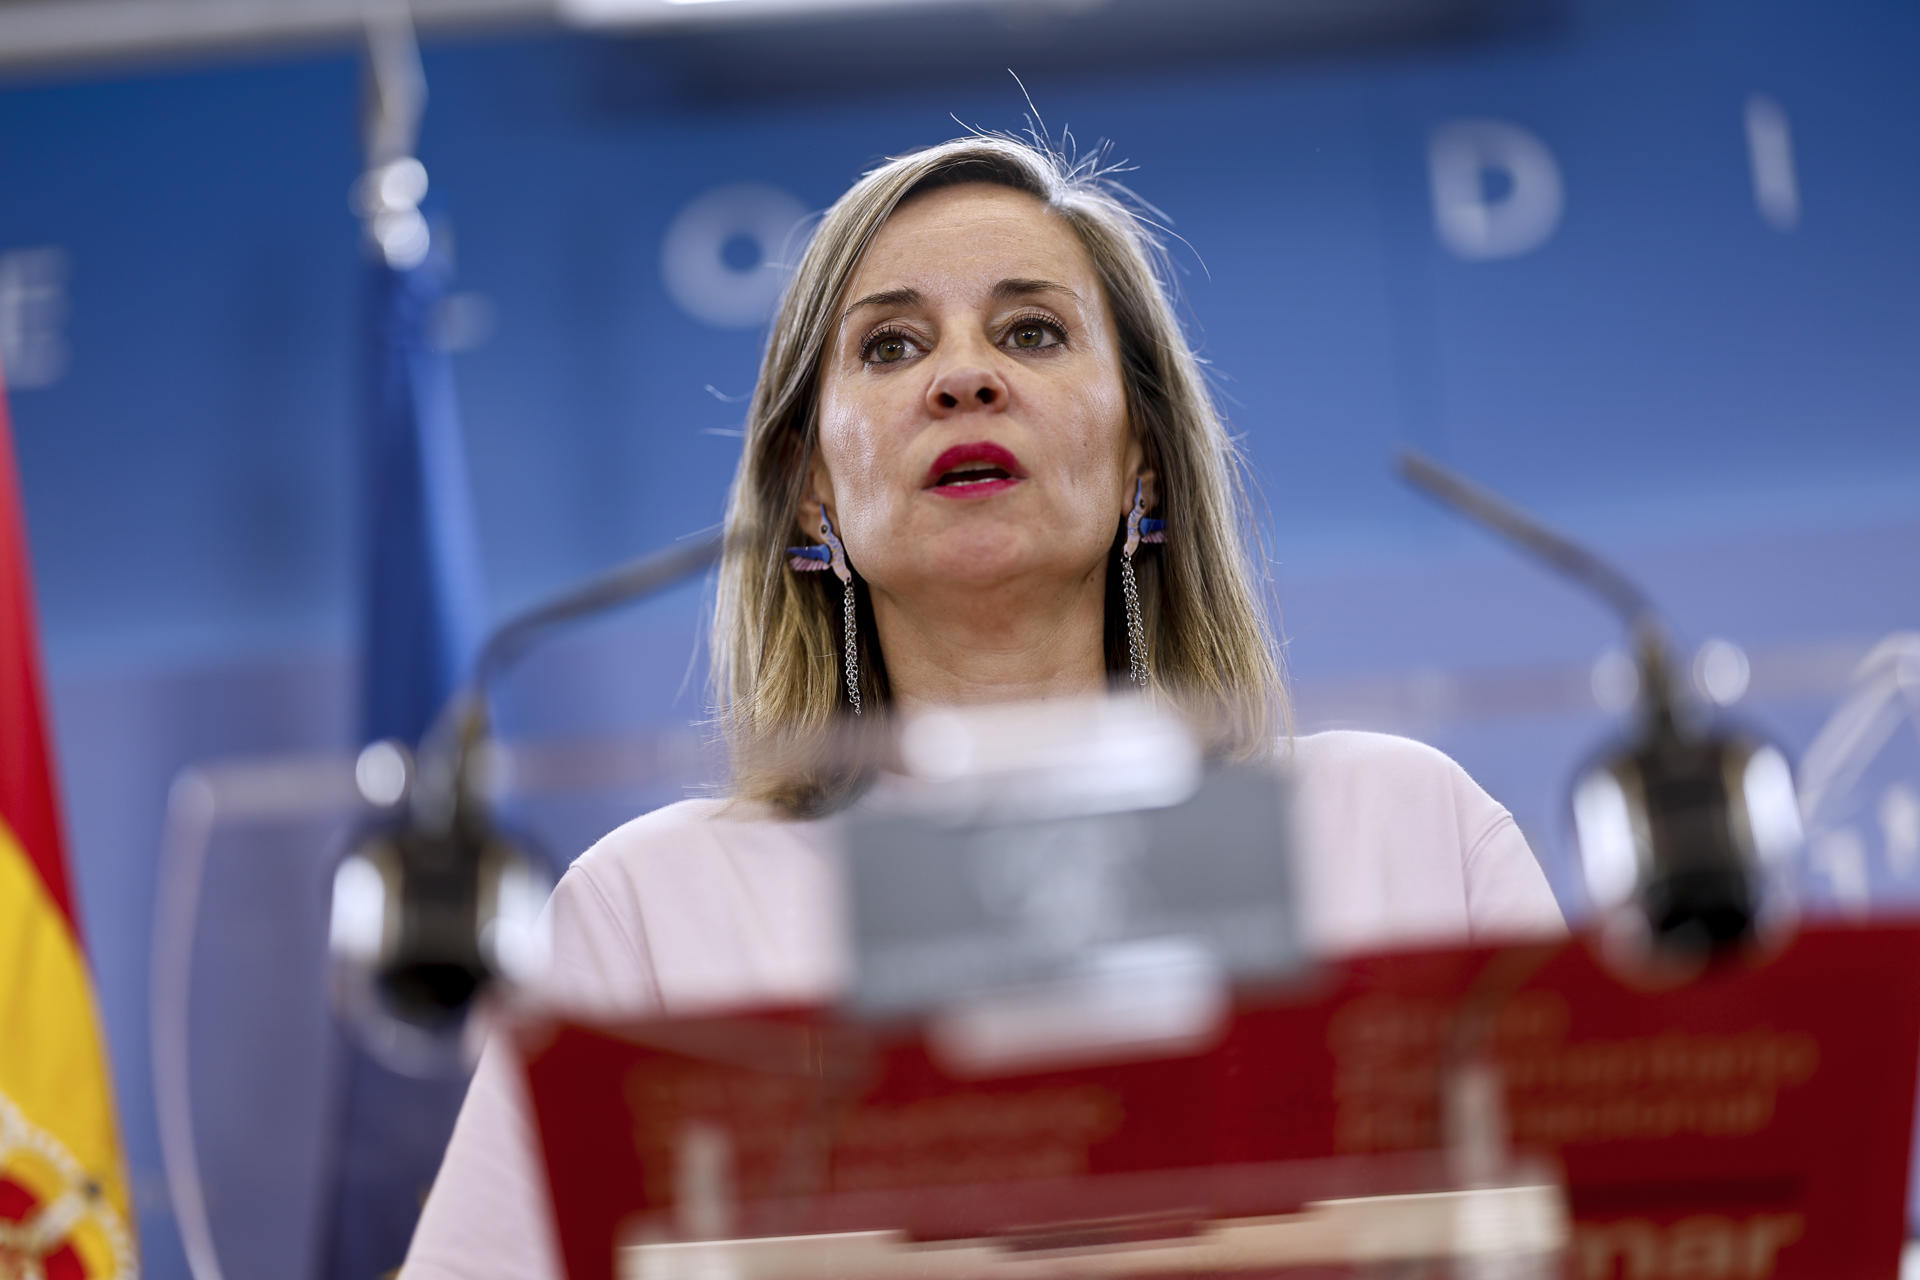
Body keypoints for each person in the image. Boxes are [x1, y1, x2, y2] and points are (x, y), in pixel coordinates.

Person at [400, 132, 1563, 1278]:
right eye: (892, 345)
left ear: (1144, 460)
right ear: (810, 494)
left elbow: (1607, 1230)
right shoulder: (650, 913)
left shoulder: (1410, 828)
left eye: (1031, 331)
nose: (964, 378)